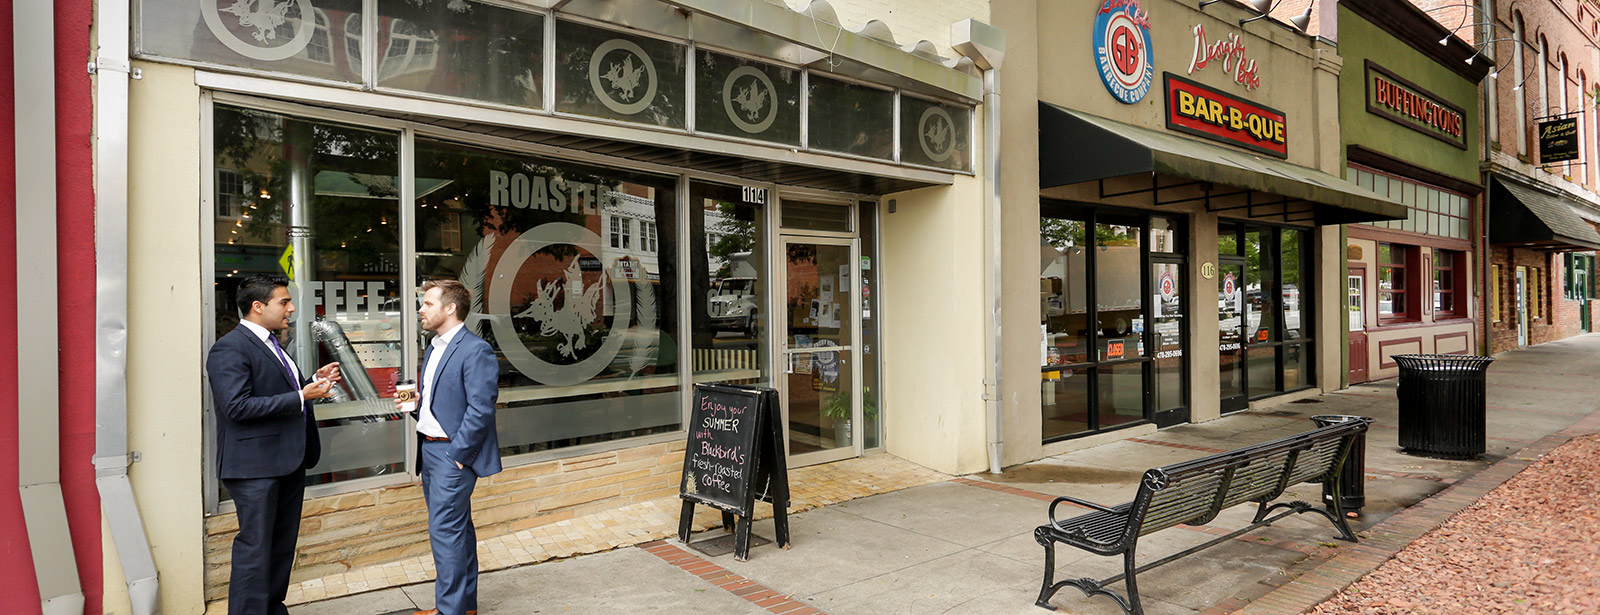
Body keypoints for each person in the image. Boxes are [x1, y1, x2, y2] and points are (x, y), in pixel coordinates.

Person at [207, 274, 342, 615]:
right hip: (255, 468)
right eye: (284, 302)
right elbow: (236, 407)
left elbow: (277, 393)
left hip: (287, 462)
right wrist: (301, 394)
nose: (291, 309)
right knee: (256, 550)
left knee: (280, 547)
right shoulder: (230, 347)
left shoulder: (271, 343)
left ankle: (272, 609)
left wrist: (313, 382)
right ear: (257, 306)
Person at [406, 279, 502, 615]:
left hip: (452, 455)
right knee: (456, 531)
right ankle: (464, 607)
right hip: (429, 450)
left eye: (428, 303)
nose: (421, 309)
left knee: (445, 533)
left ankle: (450, 611)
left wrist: (460, 455)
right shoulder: (434, 347)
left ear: (450, 308)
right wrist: (417, 405)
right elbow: (442, 402)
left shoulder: (475, 349)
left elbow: (482, 407)